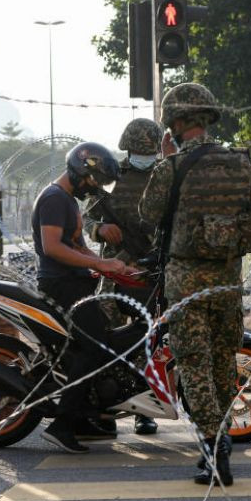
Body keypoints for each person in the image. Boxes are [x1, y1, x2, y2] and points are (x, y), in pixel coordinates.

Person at [140, 82, 251, 485]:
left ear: (176, 122)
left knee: (194, 367)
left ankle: (215, 449)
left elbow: (148, 214)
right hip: (227, 282)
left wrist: (166, 161)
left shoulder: (172, 167)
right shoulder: (242, 164)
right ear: (208, 117)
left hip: (186, 284)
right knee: (220, 364)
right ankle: (220, 439)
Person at [32, 142, 135, 453]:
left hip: (75, 283)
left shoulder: (66, 199)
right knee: (97, 347)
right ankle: (62, 423)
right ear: (80, 172)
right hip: (61, 286)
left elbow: (76, 246)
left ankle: (80, 418)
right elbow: (52, 247)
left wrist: (112, 267)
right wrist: (98, 263)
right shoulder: (54, 199)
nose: (94, 189)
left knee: (90, 347)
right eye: (93, 181)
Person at [83, 118, 166, 436]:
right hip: (115, 272)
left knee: (150, 341)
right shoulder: (111, 176)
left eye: (148, 151)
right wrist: (99, 229)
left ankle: (144, 410)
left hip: (151, 272)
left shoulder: (165, 175)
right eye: (137, 150)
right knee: (107, 336)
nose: (142, 155)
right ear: (127, 148)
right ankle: (104, 408)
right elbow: (86, 215)